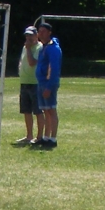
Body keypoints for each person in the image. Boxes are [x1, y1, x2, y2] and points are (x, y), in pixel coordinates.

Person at [34, 21, 62, 150]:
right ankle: (46, 137)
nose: (41, 34)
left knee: (51, 110)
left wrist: (49, 87)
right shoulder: (43, 47)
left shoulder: (53, 48)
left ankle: (53, 138)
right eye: (39, 31)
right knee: (45, 110)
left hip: (48, 83)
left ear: (49, 32)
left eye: (43, 31)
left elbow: (54, 69)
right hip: (41, 82)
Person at [15, 25, 40, 147]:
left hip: (35, 83)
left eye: (31, 35)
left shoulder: (39, 48)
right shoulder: (25, 47)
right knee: (26, 110)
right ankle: (29, 135)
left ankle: (39, 137)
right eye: (27, 35)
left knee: (38, 111)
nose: (28, 37)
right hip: (24, 82)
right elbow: (22, 60)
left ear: (37, 35)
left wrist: (29, 49)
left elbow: (32, 63)